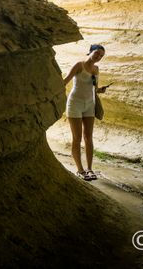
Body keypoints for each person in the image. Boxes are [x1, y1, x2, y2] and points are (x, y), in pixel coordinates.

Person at [62, 44, 109, 181]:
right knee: (77, 138)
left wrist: (100, 90)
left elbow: (94, 88)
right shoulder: (79, 65)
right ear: (90, 52)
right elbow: (65, 81)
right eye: (97, 53)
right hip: (75, 104)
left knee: (88, 137)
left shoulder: (96, 69)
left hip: (90, 105)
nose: (98, 57)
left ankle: (89, 169)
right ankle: (80, 170)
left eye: (101, 56)